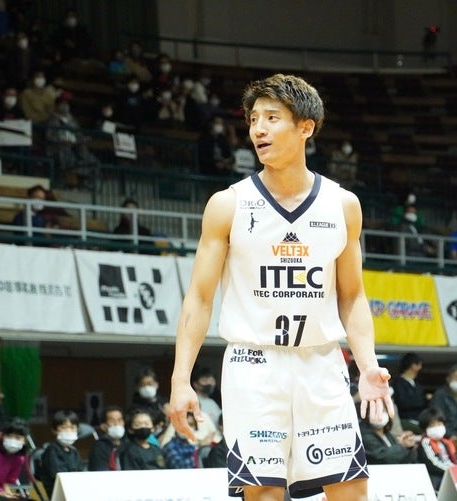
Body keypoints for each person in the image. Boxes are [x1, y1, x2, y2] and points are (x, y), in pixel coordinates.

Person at [168, 73, 393, 501]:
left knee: (351, 490)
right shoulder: (228, 204)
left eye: (272, 118)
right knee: (265, 494)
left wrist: (367, 366)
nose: (259, 129)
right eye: (254, 119)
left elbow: (352, 295)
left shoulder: (343, 205)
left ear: (306, 127)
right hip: (254, 365)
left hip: (321, 363)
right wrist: (181, 380)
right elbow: (199, 298)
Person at [39, 410, 82, 497]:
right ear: (54, 430)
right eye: (64, 427)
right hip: (59, 494)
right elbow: (58, 476)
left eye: (72, 427)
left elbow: (80, 473)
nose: (69, 431)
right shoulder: (51, 450)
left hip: (74, 491)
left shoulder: (74, 451)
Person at [429, 364, 457, 454]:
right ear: (448, 378)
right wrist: (449, 435)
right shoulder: (440, 395)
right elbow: (437, 417)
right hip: (443, 438)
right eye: (456, 377)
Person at [416, 407, 457, 491]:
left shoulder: (447, 442)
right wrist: (452, 471)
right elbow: (433, 463)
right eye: (432, 425)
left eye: (439, 424)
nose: (437, 427)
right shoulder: (425, 442)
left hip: (451, 473)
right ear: (425, 428)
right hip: (437, 477)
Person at [392, 352, 429, 432]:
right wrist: (424, 399)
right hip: (405, 420)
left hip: (419, 420)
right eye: (419, 364)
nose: (421, 367)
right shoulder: (398, 383)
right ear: (413, 365)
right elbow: (403, 402)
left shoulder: (417, 384)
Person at [129, 367, 168, 432]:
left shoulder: (165, 403)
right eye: (143, 385)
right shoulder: (134, 409)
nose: (146, 387)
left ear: (157, 384)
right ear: (137, 388)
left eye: (149, 384)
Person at [88, 405, 125, 471]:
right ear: (103, 426)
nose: (116, 424)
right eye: (112, 421)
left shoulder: (127, 444)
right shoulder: (99, 447)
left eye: (119, 420)